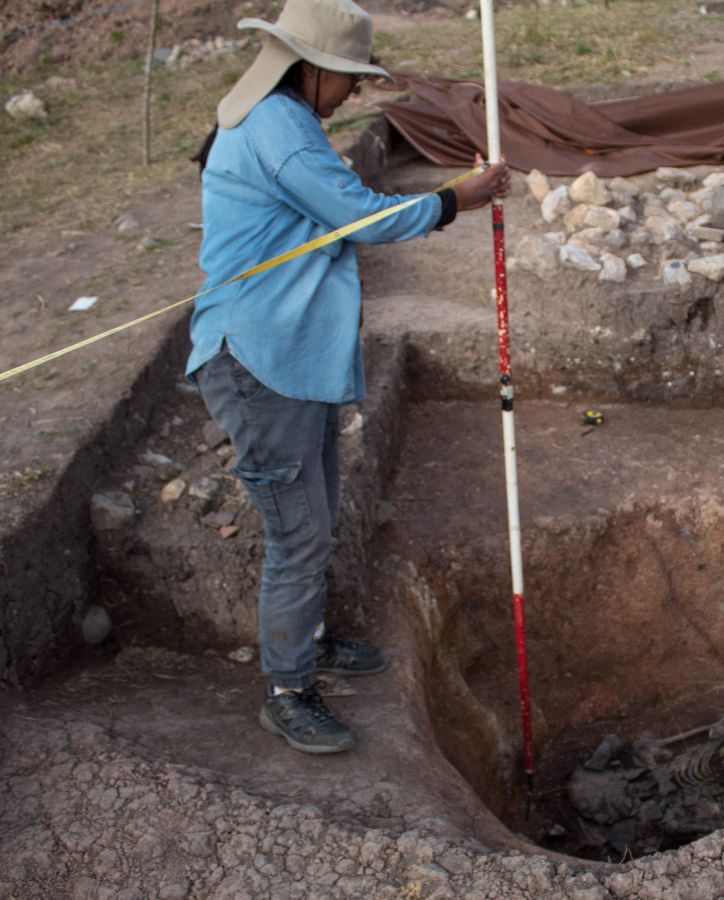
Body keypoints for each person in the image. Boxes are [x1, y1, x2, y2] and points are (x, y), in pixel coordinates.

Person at [187, 0, 510, 754]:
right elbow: (362, 218)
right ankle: (287, 689)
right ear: (313, 68)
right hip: (260, 362)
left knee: (320, 513)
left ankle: (313, 640)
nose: (354, 96)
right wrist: (453, 199)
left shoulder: (286, 119)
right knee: (298, 536)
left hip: (291, 356)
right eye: (349, 81)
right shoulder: (280, 133)